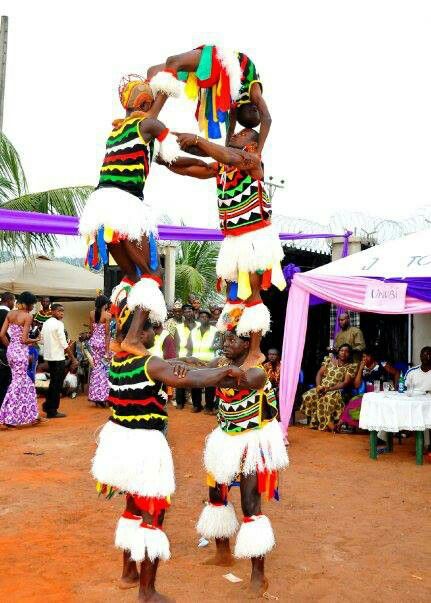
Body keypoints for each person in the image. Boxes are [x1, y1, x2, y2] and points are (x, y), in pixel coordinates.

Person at [92, 303, 242, 600]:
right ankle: (147, 592)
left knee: (132, 508)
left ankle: (128, 573)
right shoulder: (150, 363)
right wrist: (226, 372)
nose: (156, 332)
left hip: (120, 444)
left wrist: (191, 361)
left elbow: (176, 365)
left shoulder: (118, 360)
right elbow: (191, 380)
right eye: (152, 328)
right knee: (152, 515)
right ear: (140, 332)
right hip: (145, 448)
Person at [165, 128, 286, 370]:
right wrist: (164, 144)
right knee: (233, 297)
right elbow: (189, 166)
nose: (236, 135)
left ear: (251, 145)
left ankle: (255, 352)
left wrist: (198, 139)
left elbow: (263, 121)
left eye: (243, 135)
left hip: (255, 236)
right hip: (233, 239)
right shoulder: (221, 167)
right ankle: (234, 345)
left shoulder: (252, 161)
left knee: (252, 295)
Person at [78, 75, 181, 349]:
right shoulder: (147, 125)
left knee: (133, 276)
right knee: (151, 275)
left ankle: (121, 337)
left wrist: (169, 82)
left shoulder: (119, 129)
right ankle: (133, 338)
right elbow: (157, 127)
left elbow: (150, 113)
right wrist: (168, 85)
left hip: (101, 211)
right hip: (125, 208)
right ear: (145, 103)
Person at [195, 330, 288, 596]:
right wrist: (176, 366)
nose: (225, 344)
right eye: (224, 339)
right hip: (225, 438)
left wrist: (201, 374)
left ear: (247, 343)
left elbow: (242, 379)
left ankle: (259, 575)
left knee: (250, 504)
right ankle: (223, 552)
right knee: (216, 494)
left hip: (253, 441)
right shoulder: (221, 363)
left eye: (232, 340)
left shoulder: (257, 371)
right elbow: (199, 366)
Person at [148, 45, 271, 153]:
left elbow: (230, 129)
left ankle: (146, 118)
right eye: (257, 111)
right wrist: (258, 152)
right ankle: (149, 115)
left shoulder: (235, 105)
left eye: (253, 112)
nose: (257, 109)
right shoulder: (254, 91)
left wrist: (227, 150)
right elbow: (267, 118)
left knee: (159, 69)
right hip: (221, 61)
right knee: (165, 65)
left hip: (212, 75)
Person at [0, 291, 41, 427]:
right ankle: (7, 417)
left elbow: (1, 335)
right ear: (28, 304)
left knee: (24, 383)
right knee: (18, 384)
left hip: (11, 351)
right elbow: (24, 339)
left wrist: (10, 347)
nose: (32, 307)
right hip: (20, 353)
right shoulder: (27, 316)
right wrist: (36, 339)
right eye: (32, 305)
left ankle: (31, 414)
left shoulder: (10, 314)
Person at [300, 344, 357, 431]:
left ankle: (327, 423)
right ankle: (316, 420)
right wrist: (318, 386)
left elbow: (345, 383)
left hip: (336, 389)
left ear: (350, 354)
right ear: (338, 352)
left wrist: (329, 389)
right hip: (322, 387)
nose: (343, 353)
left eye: (346, 351)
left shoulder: (351, 366)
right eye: (342, 350)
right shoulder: (329, 361)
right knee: (308, 395)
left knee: (326, 398)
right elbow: (319, 374)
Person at [340, 349, 399, 430]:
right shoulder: (361, 367)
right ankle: (348, 424)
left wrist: (396, 388)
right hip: (367, 393)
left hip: (382, 391)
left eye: (367, 356)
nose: (365, 358)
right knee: (354, 401)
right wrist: (360, 369)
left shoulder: (383, 364)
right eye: (363, 356)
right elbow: (357, 385)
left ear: (372, 357)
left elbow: (397, 373)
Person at [41, 304, 78, 419]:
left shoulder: (46, 323)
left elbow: (42, 339)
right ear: (52, 311)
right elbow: (64, 343)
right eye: (59, 311)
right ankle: (52, 410)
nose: (62, 313)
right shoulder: (59, 324)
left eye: (63, 311)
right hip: (58, 358)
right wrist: (73, 358)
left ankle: (48, 406)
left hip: (49, 357)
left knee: (53, 383)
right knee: (56, 385)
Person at [187, 309, 218, 414]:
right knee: (196, 383)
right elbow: (189, 347)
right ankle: (197, 405)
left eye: (206, 317)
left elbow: (218, 345)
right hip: (196, 361)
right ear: (199, 319)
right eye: (201, 317)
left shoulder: (215, 331)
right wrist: (189, 359)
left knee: (210, 385)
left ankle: (209, 407)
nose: (203, 318)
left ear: (209, 318)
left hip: (210, 361)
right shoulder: (193, 331)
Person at [174, 304, 199, 410]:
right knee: (180, 380)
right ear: (183, 313)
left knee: (196, 380)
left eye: (190, 311)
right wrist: (177, 359)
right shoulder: (178, 327)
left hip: (196, 357)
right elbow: (176, 344)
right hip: (183, 357)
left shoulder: (199, 326)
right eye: (185, 311)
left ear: (193, 312)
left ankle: (196, 405)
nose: (188, 313)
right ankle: (180, 403)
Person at [88, 295, 111, 408]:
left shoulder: (91, 313)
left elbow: (91, 331)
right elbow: (107, 334)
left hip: (94, 342)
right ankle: (102, 396)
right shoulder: (107, 315)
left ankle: (95, 395)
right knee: (104, 370)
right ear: (105, 304)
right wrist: (107, 351)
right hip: (102, 343)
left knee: (96, 369)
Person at [0, 292, 15, 408]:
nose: (14, 303)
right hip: (3, 353)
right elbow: (5, 335)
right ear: (9, 300)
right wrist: (11, 350)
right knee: (5, 383)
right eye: (13, 301)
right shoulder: (8, 315)